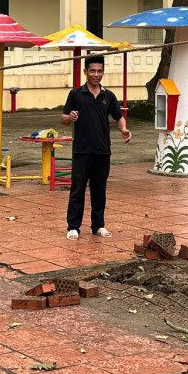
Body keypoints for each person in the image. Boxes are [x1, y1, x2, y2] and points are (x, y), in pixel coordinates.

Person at [60, 55, 132, 239]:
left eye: (99, 71)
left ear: (103, 72)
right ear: (85, 72)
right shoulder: (76, 94)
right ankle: (73, 227)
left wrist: (123, 129)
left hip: (102, 151)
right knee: (78, 189)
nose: (96, 74)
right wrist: (70, 118)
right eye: (92, 71)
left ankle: (98, 225)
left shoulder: (108, 95)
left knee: (99, 190)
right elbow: (64, 118)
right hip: (82, 150)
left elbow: (118, 116)